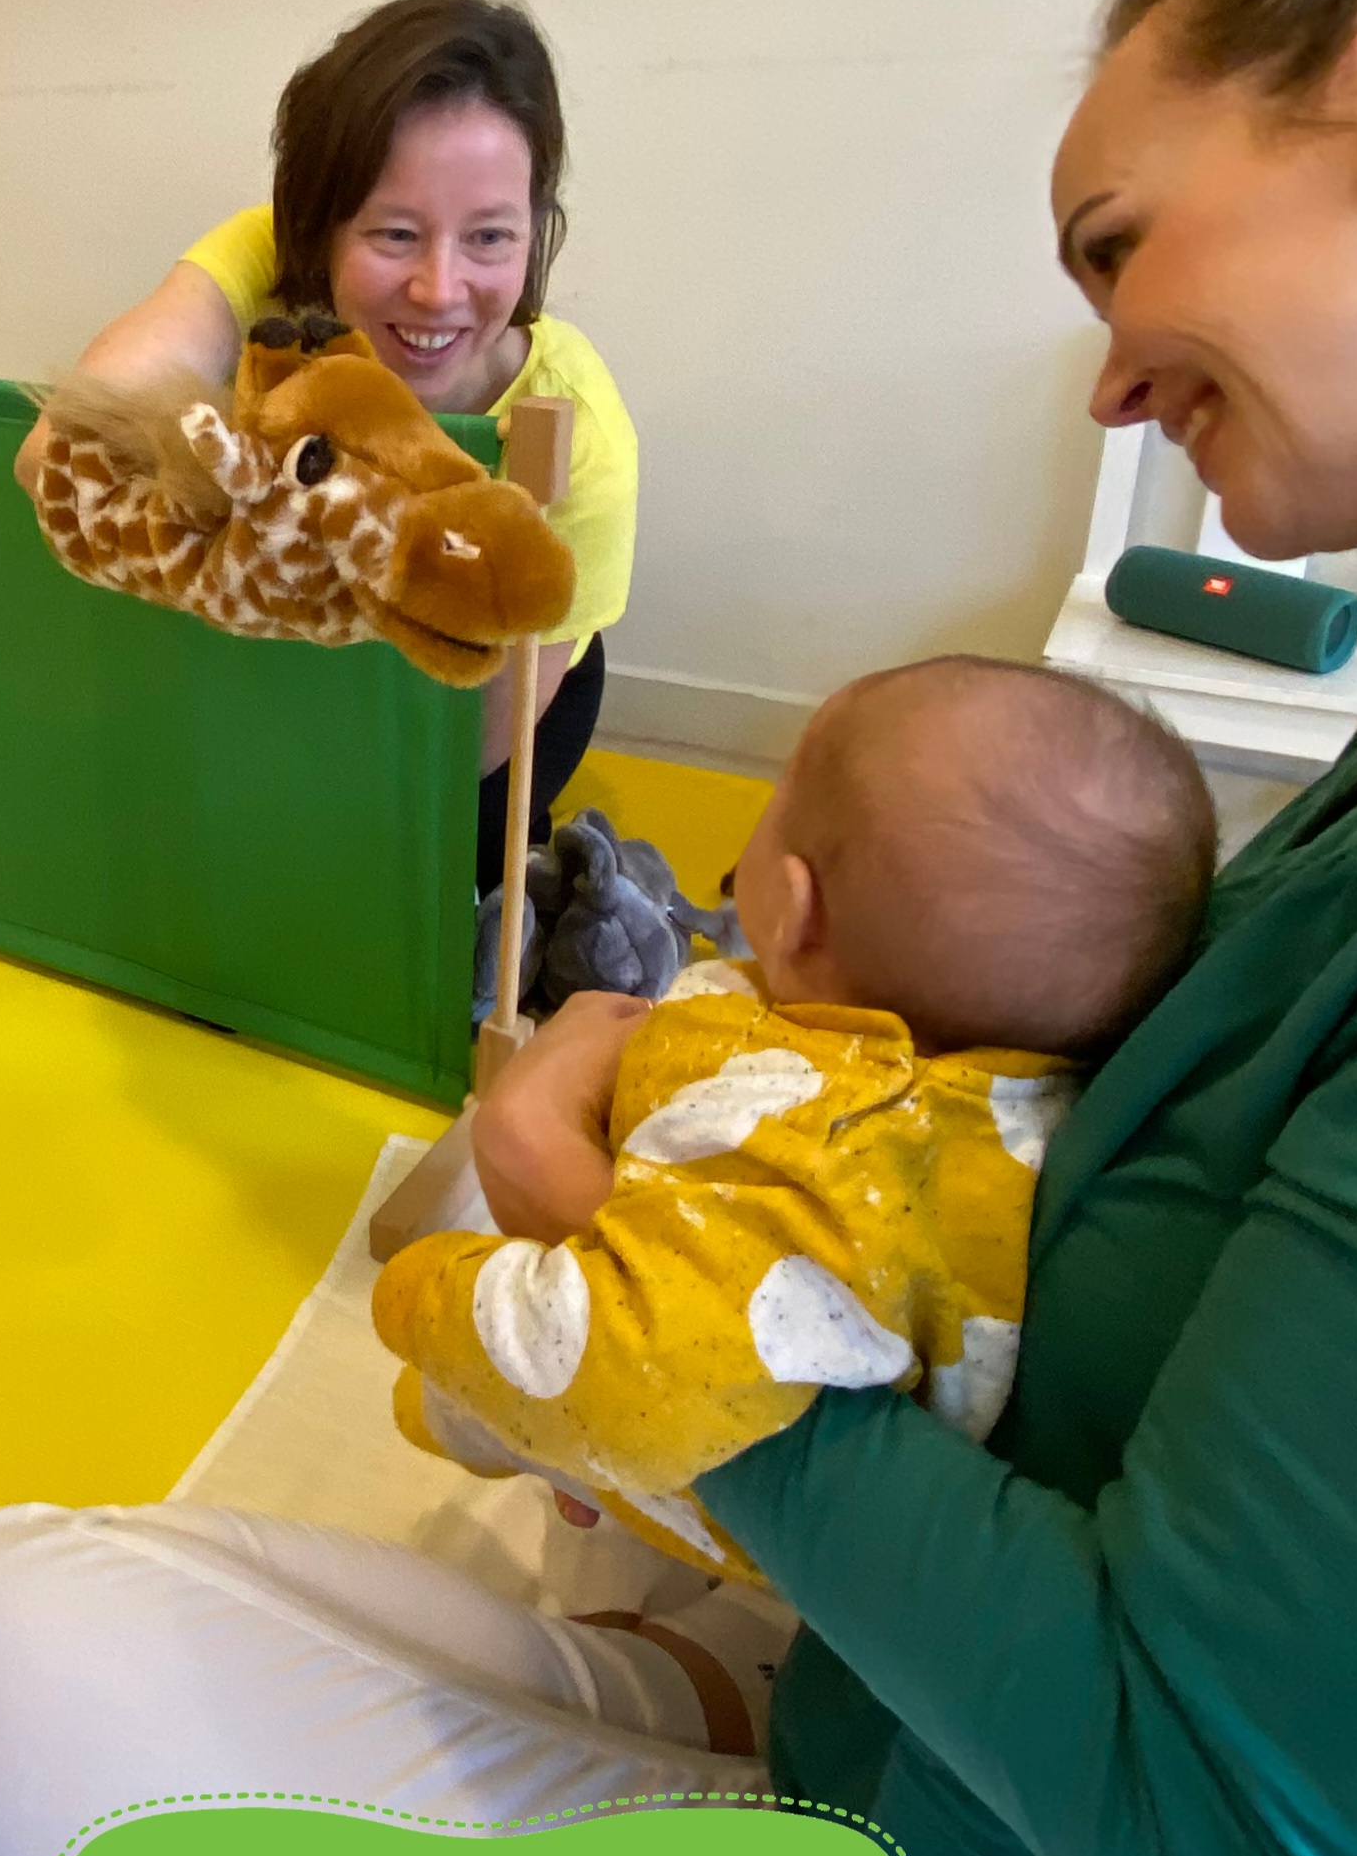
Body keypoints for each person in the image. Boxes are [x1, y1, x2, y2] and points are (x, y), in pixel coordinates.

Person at [0, 0, 1357, 1856]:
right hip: (909, 1704)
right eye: (381, 229)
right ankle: (721, 1695)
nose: (1098, 380)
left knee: (2, 1682)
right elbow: (116, 415)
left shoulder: (565, 433)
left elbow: (1228, 1846)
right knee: (33, 1590)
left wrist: (658, 1275)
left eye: (1114, 245)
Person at [382, 658, 1211, 1584]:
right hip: (741, 1380)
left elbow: (629, 1369)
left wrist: (430, 1292)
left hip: (692, 1450)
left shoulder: (817, 1155)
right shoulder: (999, 1089)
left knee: (475, 1417)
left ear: (793, 909)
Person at [14, 0, 640, 896]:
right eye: (395, 234)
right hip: (285, 663)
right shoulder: (268, 256)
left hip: (483, 696)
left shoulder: (575, 433)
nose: (439, 288)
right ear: (316, 226)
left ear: (536, 226)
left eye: (491, 236)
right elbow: (53, 453)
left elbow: (470, 751)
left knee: (426, 885)